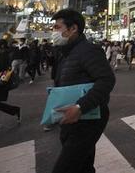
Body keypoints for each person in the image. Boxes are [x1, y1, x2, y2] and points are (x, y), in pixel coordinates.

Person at [50, 9, 116, 173]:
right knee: (83, 167)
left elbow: (106, 80)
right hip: (71, 119)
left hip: (88, 119)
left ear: (73, 29)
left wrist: (80, 107)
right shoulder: (64, 52)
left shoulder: (88, 50)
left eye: (57, 27)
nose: (54, 31)